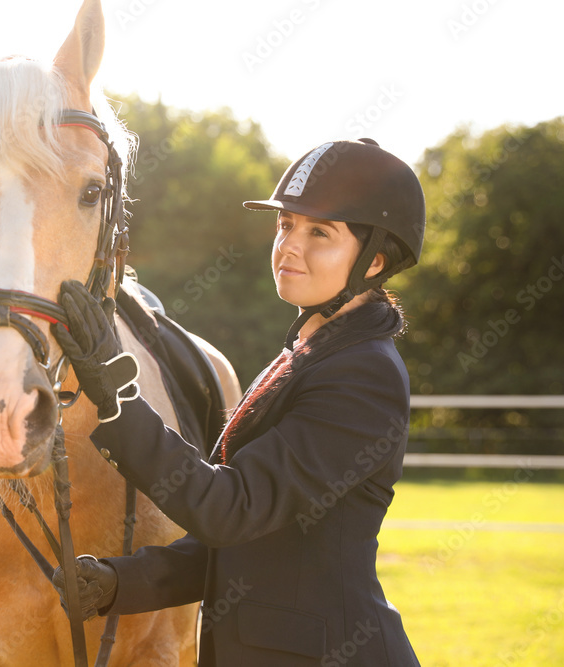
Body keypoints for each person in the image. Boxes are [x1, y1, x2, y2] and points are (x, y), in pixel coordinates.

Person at [51, 138, 424, 666]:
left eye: (319, 232)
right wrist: (119, 583)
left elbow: (230, 509)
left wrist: (117, 397)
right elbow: (252, 543)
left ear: (374, 260)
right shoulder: (309, 354)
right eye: (286, 225)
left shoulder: (362, 375)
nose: (290, 245)